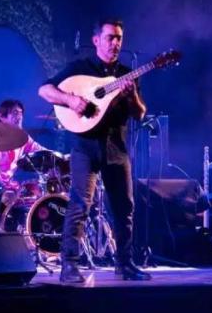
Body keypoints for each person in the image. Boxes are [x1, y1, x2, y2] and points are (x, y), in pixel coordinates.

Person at [38, 18, 151, 283]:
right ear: (96, 40)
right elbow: (45, 90)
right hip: (85, 148)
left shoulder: (126, 74)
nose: (115, 43)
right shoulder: (80, 68)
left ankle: (124, 264)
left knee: (124, 209)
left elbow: (141, 114)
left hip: (117, 149)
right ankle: (69, 267)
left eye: (119, 38)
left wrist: (132, 96)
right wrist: (71, 100)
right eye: (110, 37)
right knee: (79, 206)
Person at [0, 100, 48, 225]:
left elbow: (41, 151)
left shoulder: (23, 138)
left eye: (21, 113)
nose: (20, 116)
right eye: (15, 113)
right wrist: (4, 189)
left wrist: (62, 157)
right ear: (2, 116)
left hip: (8, 189)